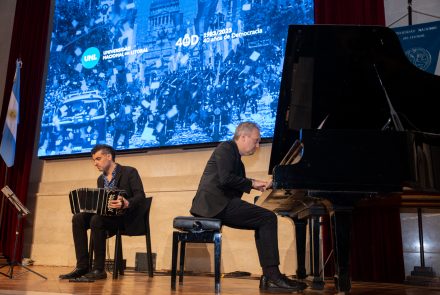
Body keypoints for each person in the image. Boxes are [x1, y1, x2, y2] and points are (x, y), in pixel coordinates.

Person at [190, 122, 307, 292]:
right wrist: (253, 183)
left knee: (262, 220)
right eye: (256, 140)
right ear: (243, 137)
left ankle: (269, 276)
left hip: (219, 203)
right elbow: (225, 179)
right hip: (213, 204)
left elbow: (234, 184)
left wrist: (256, 185)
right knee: (267, 218)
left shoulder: (238, 162)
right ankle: (272, 275)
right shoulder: (226, 147)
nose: (258, 145)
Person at [59, 144, 146, 280]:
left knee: (96, 220)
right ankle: (82, 266)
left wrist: (127, 203)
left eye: (98, 159)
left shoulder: (129, 172)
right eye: (94, 160)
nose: (95, 163)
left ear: (109, 156)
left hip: (126, 218)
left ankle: (99, 269)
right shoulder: (101, 179)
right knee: (78, 218)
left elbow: (140, 196)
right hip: (106, 218)